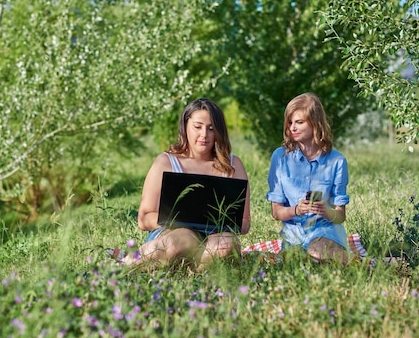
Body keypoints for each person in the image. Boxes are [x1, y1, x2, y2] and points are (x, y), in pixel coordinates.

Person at [121, 98, 251, 269]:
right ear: (185, 126)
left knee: (226, 246)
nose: (204, 135)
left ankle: (186, 268)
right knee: (183, 240)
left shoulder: (233, 165)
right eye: (197, 127)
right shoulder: (165, 162)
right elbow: (144, 218)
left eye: (211, 129)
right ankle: (134, 262)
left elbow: (244, 222)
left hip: (215, 235)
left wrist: (214, 223)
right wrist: (180, 222)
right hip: (171, 234)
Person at [266, 93, 350, 263]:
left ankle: (360, 262)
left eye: (299, 122)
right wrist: (296, 210)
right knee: (294, 260)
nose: (292, 128)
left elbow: (340, 216)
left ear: (315, 123)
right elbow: (276, 212)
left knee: (316, 250)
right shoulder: (280, 157)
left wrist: (325, 211)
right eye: (290, 123)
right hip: (293, 235)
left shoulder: (337, 161)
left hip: (325, 230)